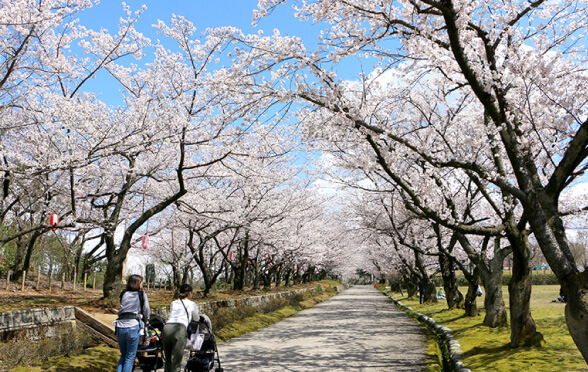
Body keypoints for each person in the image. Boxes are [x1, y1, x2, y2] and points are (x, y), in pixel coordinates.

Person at [114, 274, 150, 372]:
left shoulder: (124, 293)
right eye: (141, 282)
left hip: (120, 326)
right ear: (138, 283)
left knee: (123, 355)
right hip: (132, 326)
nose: (142, 284)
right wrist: (147, 320)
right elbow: (146, 310)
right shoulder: (141, 294)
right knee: (130, 357)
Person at [162, 283, 199, 372]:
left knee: (168, 359)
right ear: (190, 293)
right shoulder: (192, 304)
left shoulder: (173, 303)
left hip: (167, 328)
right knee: (176, 360)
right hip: (179, 329)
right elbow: (196, 318)